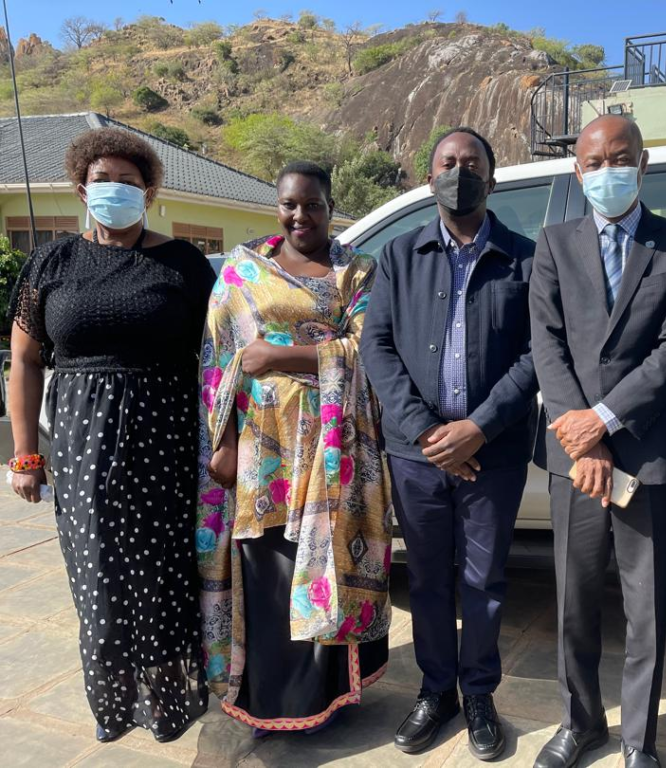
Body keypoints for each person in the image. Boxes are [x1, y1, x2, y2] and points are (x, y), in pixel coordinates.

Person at [7, 127, 214, 743]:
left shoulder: (183, 264)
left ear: (148, 191)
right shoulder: (51, 263)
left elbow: (216, 357)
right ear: (81, 188)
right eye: (104, 180)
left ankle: (170, 703)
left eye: (129, 181)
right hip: (81, 447)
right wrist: (25, 454)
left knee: (165, 576)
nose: (116, 189)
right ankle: (115, 705)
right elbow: (25, 361)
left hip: (167, 444)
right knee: (99, 575)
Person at [529, 114, 666, 768]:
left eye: (620, 158)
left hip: (646, 452)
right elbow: (546, 343)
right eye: (595, 162)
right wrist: (583, 438)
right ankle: (580, 723)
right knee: (574, 602)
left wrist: (603, 420)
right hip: (573, 458)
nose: (608, 171)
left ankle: (639, 739)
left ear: (643, 163)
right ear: (578, 173)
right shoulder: (554, 243)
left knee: (645, 610)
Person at [360, 127, 537, 761]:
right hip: (418, 454)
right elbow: (377, 346)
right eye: (447, 162)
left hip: (494, 451)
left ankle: (480, 694)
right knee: (428, 578)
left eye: (472, 163)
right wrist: (427, 431)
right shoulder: (399, 255)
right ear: (428, 175)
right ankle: (435, 691)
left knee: (484, 579)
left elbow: (537, 353)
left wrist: (478, 428)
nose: (459, 173)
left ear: (492, 177)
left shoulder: (524, 257)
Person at [196, 162, 391, 736]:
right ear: (277, 207)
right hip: (263, 446)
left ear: (330, 207)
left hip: (336, 445)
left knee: (327, 562)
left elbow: (368, 349)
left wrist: (279, 356)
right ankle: (273, 702)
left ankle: (327, 697)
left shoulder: (356, 270)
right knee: (271, 567)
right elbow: (217, 360)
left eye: (313, 204)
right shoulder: (243, 270)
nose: (300, 215)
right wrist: (222, 442)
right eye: (289, 204)